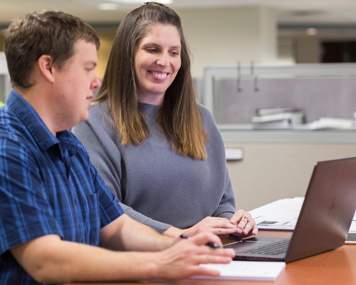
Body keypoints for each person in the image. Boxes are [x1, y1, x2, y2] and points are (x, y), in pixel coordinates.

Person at [0, 9, 235, 284]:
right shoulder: (0, 149)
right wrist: (159, 263)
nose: (96, 82)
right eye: (88, 69)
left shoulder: (67, 144)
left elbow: (116, 227)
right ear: (48, 68)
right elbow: (45, 260)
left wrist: (181, 246)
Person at [74, 3, 258, 238]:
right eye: (152, 49)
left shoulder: (202, 119)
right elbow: (104, 208)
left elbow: (222, 203)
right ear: (127, 54)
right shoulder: (94, 122)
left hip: (207, 254)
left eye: (174, 52)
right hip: (143, 260)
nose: (164, 61)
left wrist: (233, 223)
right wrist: (180, 235)